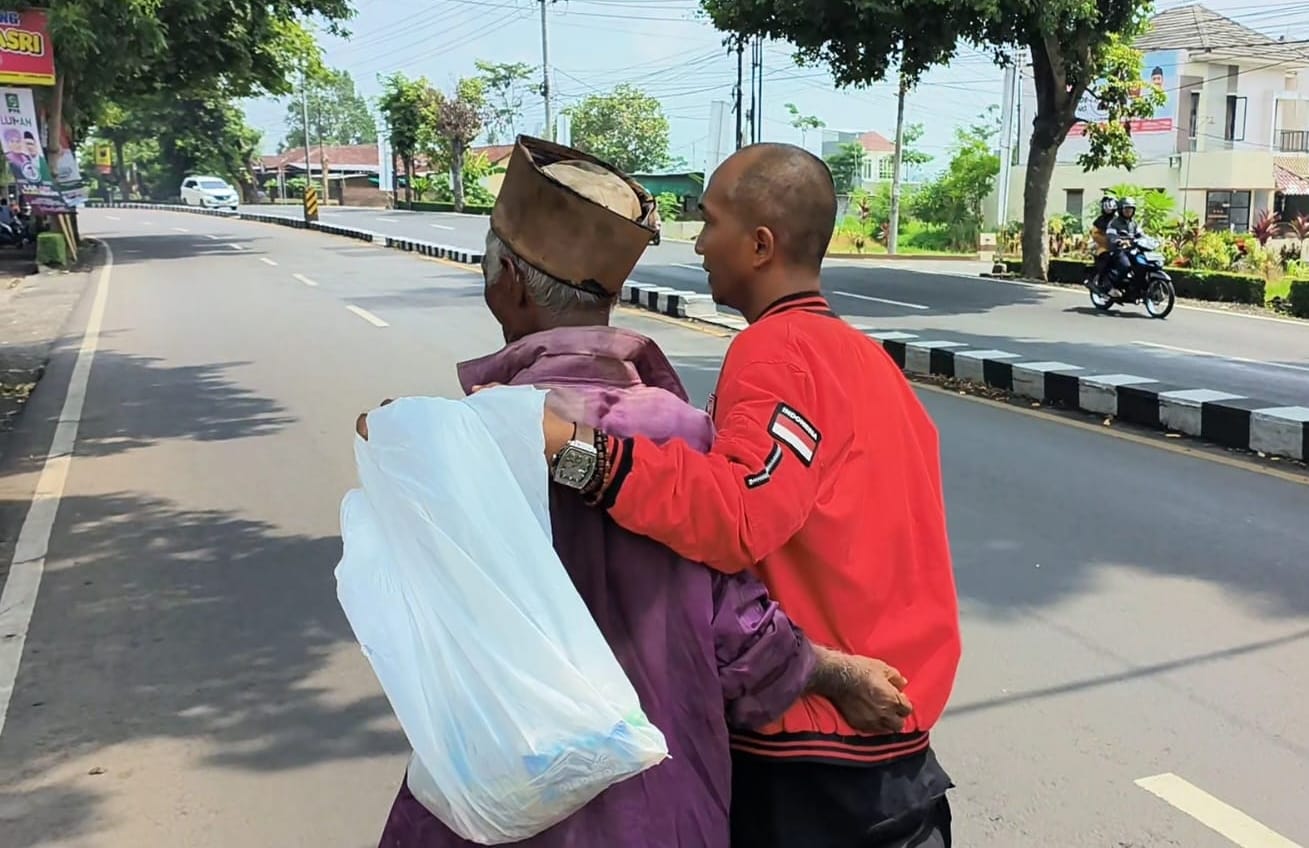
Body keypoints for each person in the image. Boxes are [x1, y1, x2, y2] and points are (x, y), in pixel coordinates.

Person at [363, 137, 914, 848]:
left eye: (709, 221)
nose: (701, 242)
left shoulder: (462, 435)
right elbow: (735, 629)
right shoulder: (684, 431)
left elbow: (414, 623)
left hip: (493, 806)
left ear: (511, 285)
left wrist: (414, 444)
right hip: (659, 815)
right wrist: (828, 672)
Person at [512, 142, 962, 847]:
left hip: (815, 764)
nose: (696, 242)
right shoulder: (866, 361)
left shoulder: (778, 351)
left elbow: (736, 514)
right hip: (890, 747)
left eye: (709, 220)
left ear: (759, 245)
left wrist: (572, 451)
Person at [1105, 196, 1143, 297]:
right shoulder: (1114, 223)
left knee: (1142, 264)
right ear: (1120, 210)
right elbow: (1111, 235)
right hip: (1118, 250)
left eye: (1130, 209)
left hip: (1132, 250)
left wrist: (1150, 240)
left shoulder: (1134, 223)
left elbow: (1141, 234)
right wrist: (1118, 241)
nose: (1128, 212)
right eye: (1126, 209)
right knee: (1126, 266)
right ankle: (1113, 287)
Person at [1089, 195, 1118, 290]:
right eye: (1106, 208)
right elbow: (1095, 234)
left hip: (1118, 246)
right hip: (1103, 246)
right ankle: (1100, 280)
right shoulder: (1100, 220)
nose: (1108, 210)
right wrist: (1106, 240)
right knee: (1106, 258)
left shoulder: (1118, 219)